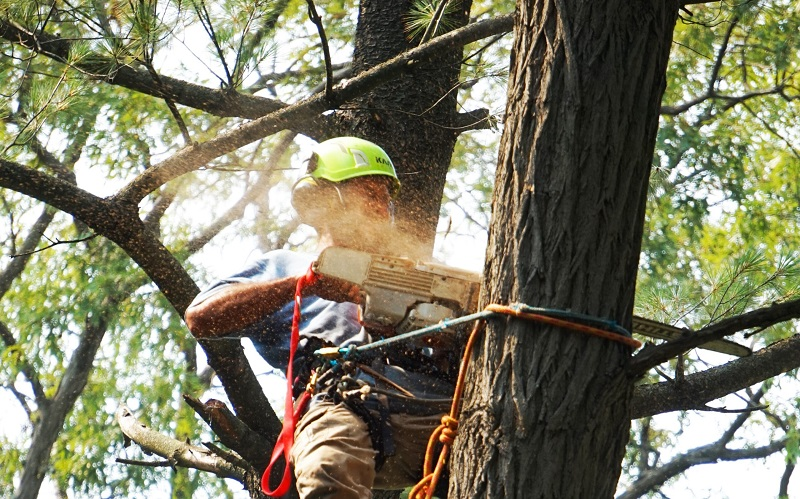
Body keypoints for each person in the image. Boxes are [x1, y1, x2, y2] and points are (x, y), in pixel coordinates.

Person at [184, 137, 456, 499]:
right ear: (325, 201)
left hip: (433, 405)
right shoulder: (284, 267)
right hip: (340, 403)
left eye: (385, 195)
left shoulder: (414, 274)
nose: (381, 205)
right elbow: (201, 317)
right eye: (368, 192)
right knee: (330, 470)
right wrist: (307, 284)